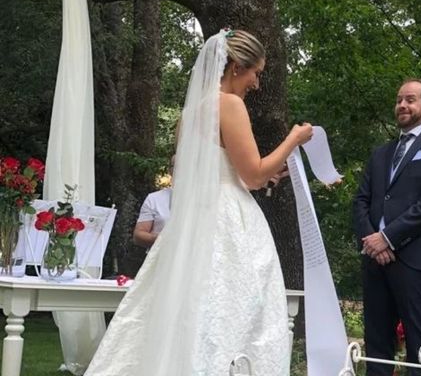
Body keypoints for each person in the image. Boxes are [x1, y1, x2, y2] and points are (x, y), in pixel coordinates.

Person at [85, 29, 313, 375]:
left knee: (187, 308)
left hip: (194, 219)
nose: (257, 83)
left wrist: (265, 175)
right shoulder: (230, 104)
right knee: (231, 308)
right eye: (257, 72)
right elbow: (252, 176)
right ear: (236, 66)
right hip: (228, 220)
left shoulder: (189, 114)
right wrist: (293, 140)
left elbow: (221, 173)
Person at [353, 79, 421, 376]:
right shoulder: (380, 154)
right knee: (376, 346)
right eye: (399, 99)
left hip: (416, 261)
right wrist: (373, 242)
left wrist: (388, 237)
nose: (402, 105)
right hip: (375, 261)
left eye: (410, 100)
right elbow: (361, 200)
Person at [133, 157, 174, 249]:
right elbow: (138, 234)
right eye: (176, 166)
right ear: (170, 170)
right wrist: (160, 239)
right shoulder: (154, 198)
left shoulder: (206, 200)